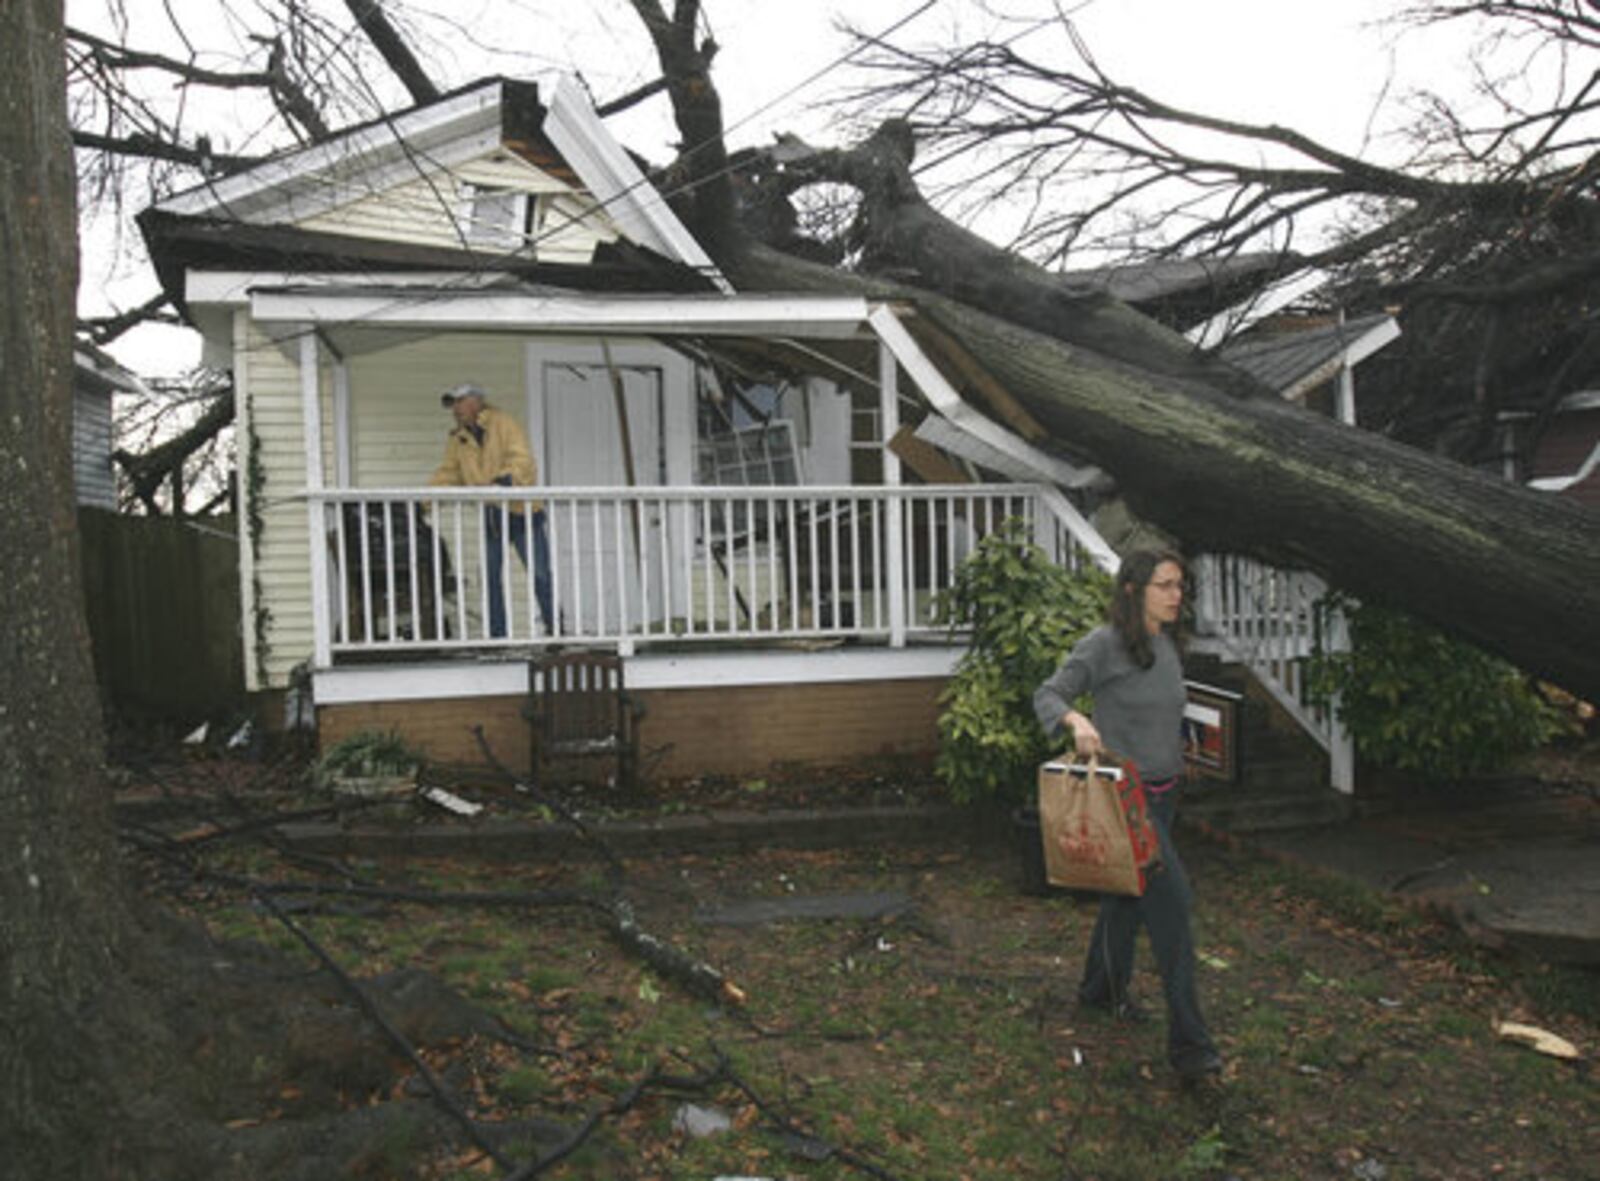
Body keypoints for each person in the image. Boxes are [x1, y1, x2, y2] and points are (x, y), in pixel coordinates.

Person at [1033, 548, 1222, 1083]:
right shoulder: (1104, 645)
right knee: (1174, 908)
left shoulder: (1166, 644)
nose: (1176, 595)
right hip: (1127, 803)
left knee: (1125, 899)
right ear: (1134, 590)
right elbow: (1048, 693)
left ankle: (1099, 991)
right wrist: (1074, 720)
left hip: (1165, 794)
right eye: (1165, 585)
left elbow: (1163, 715)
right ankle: (1191, 1047)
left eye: (1180, 585)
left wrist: (1193, 756)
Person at [430, 382, 555, 638]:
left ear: (476, 402)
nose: (455, 409)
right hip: (493, 516)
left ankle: (555, 630)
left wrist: (504, 481)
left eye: (459, 402)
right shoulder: (459, 438)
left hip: (523, 512)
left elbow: (522, 460)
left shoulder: (503, 423)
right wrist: (424, 500)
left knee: (541, 575)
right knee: (489, 579)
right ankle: (498, 637)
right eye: (452, 404)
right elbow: (448, 473)